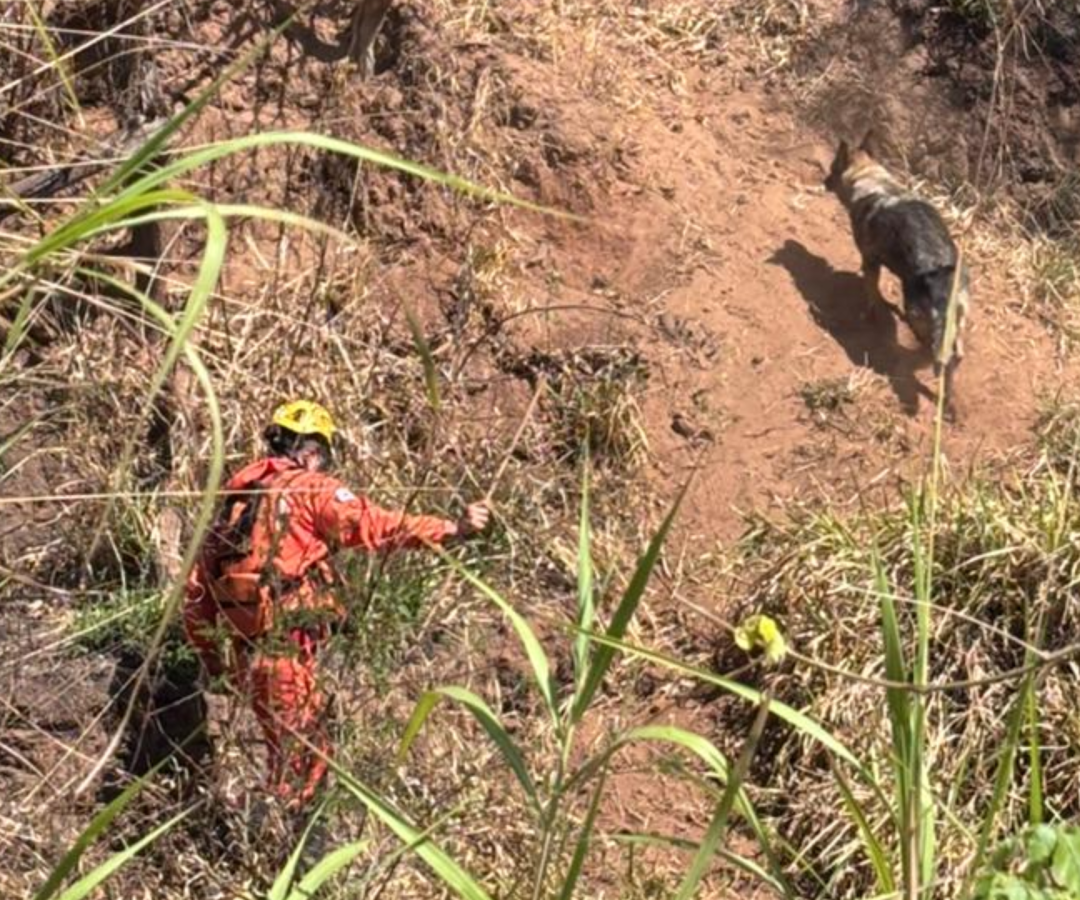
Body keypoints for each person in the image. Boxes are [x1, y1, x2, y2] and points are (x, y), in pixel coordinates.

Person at [183, 400, 489, 807]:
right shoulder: (312, 489)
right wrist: (451, 528)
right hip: (285, 648)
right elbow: (374, 526)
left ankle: (262, 844)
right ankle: (289, 857)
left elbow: (195, 597)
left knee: (287, 761)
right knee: (303, 769)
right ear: (311, 452)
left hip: (247, 655)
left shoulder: (234, 504)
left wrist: (217, 665)